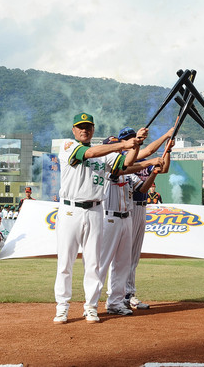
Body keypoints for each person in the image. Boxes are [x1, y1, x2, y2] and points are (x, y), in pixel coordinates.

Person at [53, 113, 144, 325]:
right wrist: (123, 144)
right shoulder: (68, 146)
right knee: (65, 262)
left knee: (93, 263)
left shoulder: (106, 156)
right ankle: (62, 307)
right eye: (80, 127)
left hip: (95, 210)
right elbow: (91, 152)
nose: (84, 130)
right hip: (70, 210)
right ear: (74, 130)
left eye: (88, 127)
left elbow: (127, 163)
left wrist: (136, 145)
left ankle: (91, 307)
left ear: (93, 130)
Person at [97, 136, 165, 316]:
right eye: (112, 146)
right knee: (103, 263)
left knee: (123, 263)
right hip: (109, 218)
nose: (116, 149)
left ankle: (116, 302)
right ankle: (92, 303)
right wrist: (148, 162)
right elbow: (122, 168)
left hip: (126, 217)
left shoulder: (128, 172)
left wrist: (154, 173)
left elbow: (142, 189)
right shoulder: (105, 167)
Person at [118, 126, 173, 311]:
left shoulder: (142, 158)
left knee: (134, 255)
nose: (134, 140)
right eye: (130, 139)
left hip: (142, 207)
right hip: (129, 206)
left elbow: (163, 168)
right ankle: (121, 294)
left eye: (135, 138)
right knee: (125, 254)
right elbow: (150, 152)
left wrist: (168, 150)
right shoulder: (124, 161)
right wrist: (166, 134)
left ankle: (129, 294)